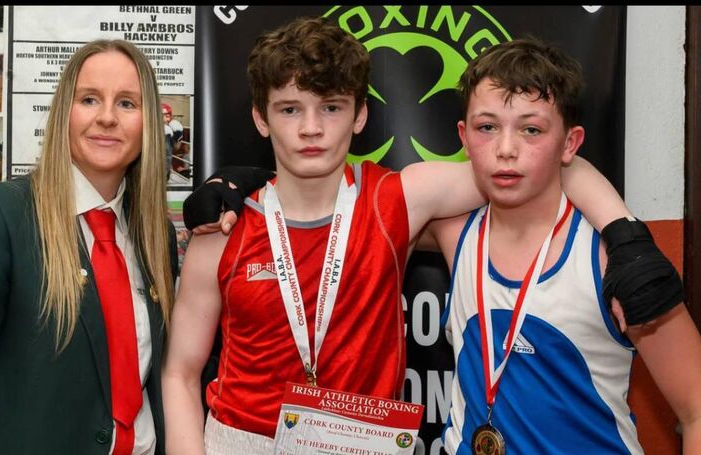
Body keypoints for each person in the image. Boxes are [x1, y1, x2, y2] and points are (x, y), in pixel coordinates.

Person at [164, 18, 634, 454]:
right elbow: (181, 374)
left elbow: (544, 165)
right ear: (261, 118)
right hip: (243, 441)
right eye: (289, 109)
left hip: (362, 440)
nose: (311, 128)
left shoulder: (396, 200)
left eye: (331, 107)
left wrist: (626, 235)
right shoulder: (222, 230)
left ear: (360, 115)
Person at [409, 38, 701, 454]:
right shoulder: (452, 232)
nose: (506, 150)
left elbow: (696, 407)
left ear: (570, 143)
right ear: (463, 135)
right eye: (487, 127)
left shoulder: (607, 257)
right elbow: (357, 214)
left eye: (531, 130)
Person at [0, 39, 176, 454]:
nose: (106, 117)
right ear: (64, 111)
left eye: (126, 103)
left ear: (148, 123)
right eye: (89, 99)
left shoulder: (157, 238)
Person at [162, 102, 183, 179]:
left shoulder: (170, 129)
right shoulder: (150, 129)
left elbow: (176, 148)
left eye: (167, 116)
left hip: (166, 169)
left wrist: (178, 135)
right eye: (162, 116)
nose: (165, 119)